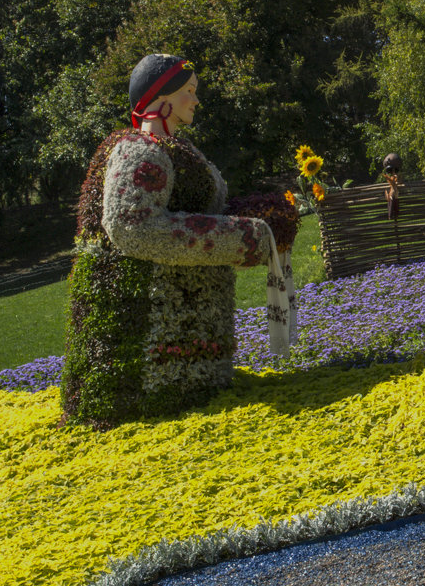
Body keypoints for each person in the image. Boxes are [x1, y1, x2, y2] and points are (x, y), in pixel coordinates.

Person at [61, 54, 272, 429]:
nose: (196, 100)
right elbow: (133, 228)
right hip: (143, 361)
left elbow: (205, 208)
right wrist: (244, 237)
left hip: (190, 352)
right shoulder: (139, 150)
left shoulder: (179, 151)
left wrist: (265, 215)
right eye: (189, 91)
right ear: (164, 98)